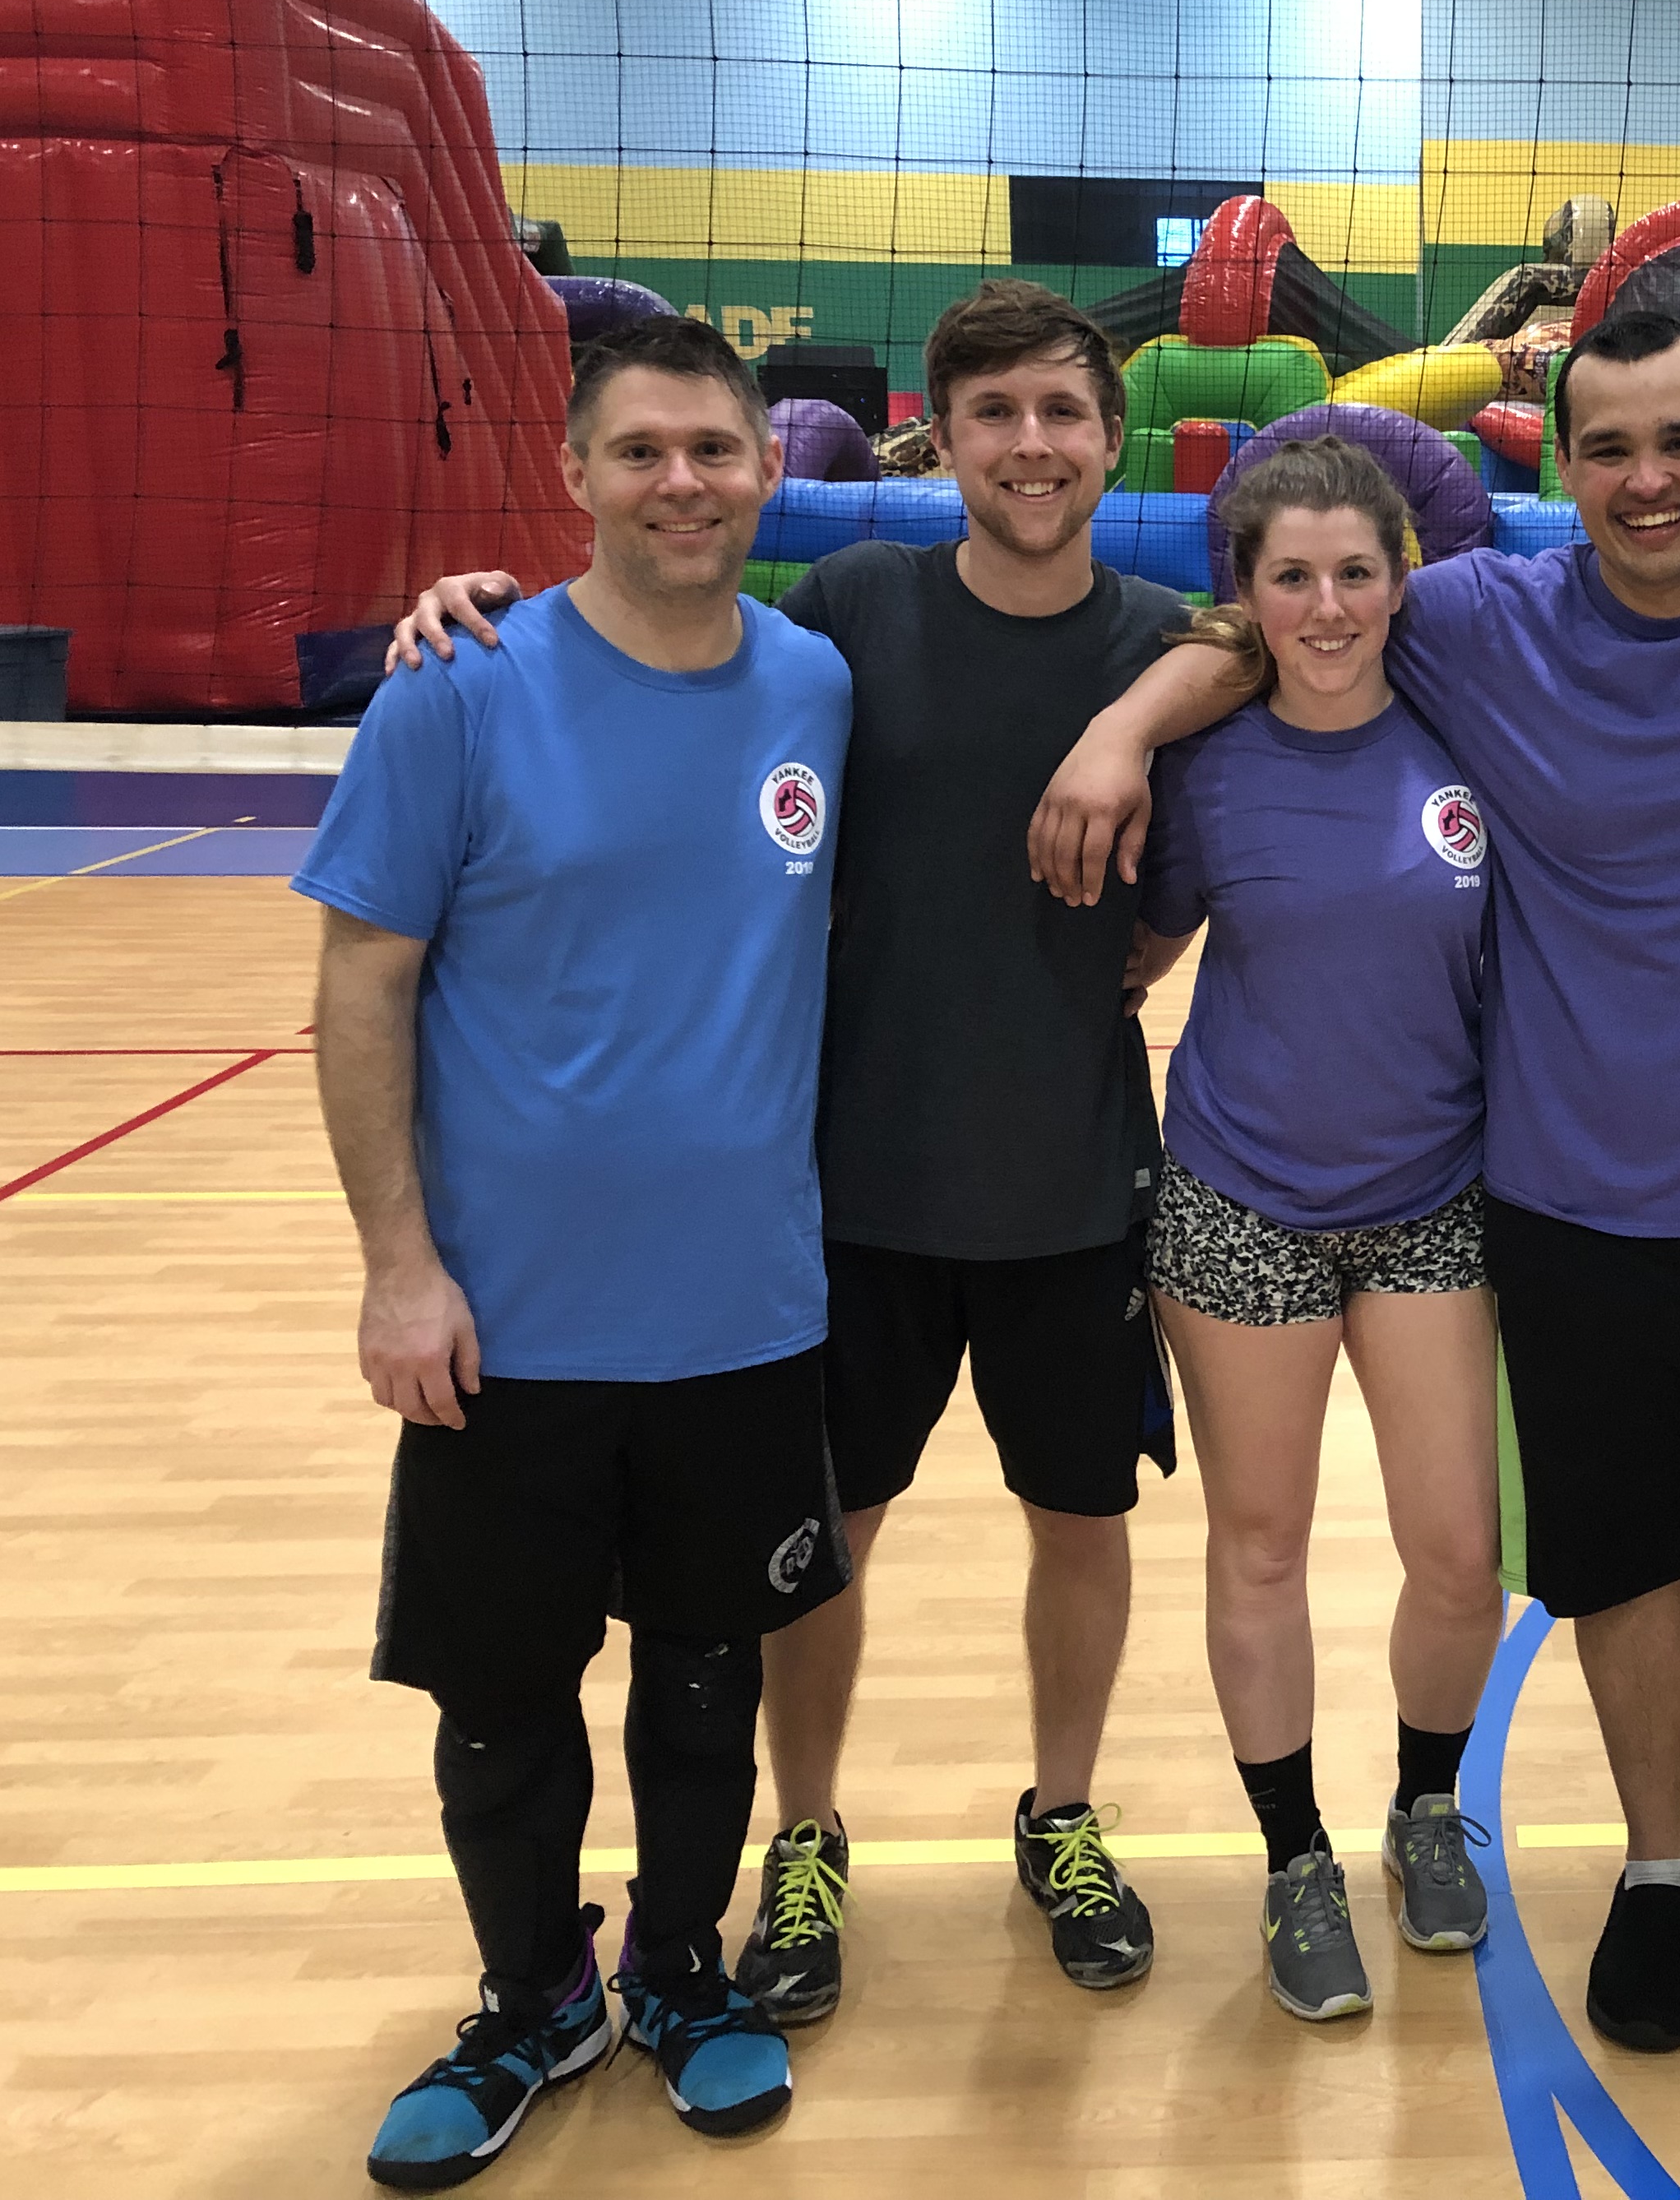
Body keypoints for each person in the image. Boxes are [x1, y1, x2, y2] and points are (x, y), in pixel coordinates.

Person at [1032, 309, 1680, 2054]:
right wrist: (1123, 729)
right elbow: (1245, 670)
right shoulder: (1449, 640)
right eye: (1608, 449)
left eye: (1678, 441)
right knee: (1478, 1555)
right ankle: (1546, 1865)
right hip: (1460, 1204)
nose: (1647, 477)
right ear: (1561, 467)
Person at [385, 280, 1182, 2027]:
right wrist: (483, 604)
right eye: (993, 414)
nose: (1031, 445)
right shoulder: (852, 614)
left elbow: (1272, 647)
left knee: (1083, 1521)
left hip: (1071, 1184)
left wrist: (1133, 727)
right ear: (937, 440)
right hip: (849, 1197)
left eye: (1062, 412)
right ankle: (804, 1835)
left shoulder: (1161, 642)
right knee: (824, 1539)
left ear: (1114, 443)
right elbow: (665, 637)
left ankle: (1061, 1814)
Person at [305, 313, 851, 2188]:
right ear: (573, 474)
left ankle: (682, 1974)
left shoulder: (818, 683)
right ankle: (534, 1997)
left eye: (713, 449)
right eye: (641, 452)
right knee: (503, 1702)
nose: (681, 483)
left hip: (743, 1312)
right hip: (507, 1323)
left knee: (706, 1680)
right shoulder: (457, 687)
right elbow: (362, 985)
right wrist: (398, 1267)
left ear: (767, 468)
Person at [1121, 438, 1502, 2021]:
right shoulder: (1207, 765)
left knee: (1460, 1554)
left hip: (1433, 1201)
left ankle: (1426, 1808)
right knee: (1262, 1545)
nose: (1329, 606)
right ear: (1250, 595)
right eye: (1294, 577)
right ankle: (1294, 1861)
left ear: (1403, 581)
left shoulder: (1474, 735)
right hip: (1241, 1202)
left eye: (1357, 572)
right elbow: (1136, 959)